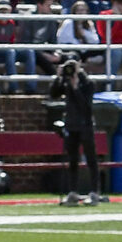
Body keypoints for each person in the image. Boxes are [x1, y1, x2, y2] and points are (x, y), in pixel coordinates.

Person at [49, 55, 101, 202]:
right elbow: (53, 94)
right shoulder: (65, 81)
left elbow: (86, 106)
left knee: (91, 158)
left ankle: (94, 191)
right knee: (72, 159)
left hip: (85, 125)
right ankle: (73, 191)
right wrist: (58, 78)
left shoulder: (88, 83)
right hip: (71, 124)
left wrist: (76, 86)